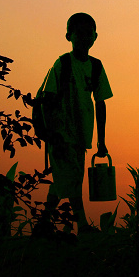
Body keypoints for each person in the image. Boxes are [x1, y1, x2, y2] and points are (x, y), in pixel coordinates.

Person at [34, 13, 113, 233]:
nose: (85, 37)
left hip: (81, 133)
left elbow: (101, 103)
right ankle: (83, 224)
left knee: (67, 179)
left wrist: (101, 140)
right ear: (69, 35)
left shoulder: (96, 66)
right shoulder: (62, 64)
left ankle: (43, 223)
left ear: (95, 36)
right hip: (60, 132)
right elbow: (47, 99)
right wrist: (52, 133)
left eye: (89, 33)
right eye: (80, 32)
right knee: (71, 179)